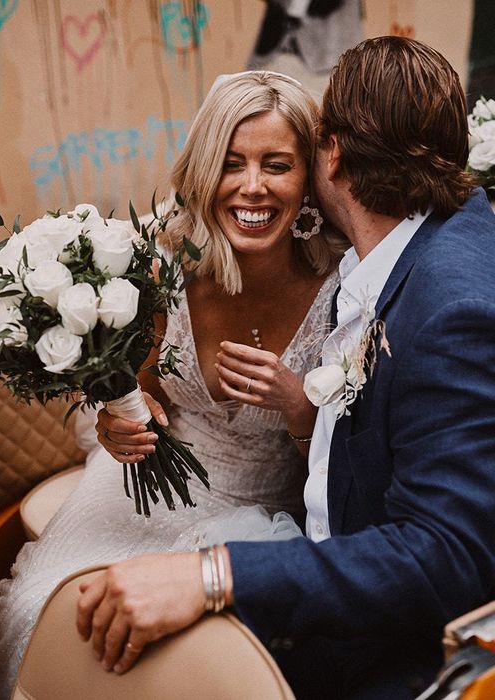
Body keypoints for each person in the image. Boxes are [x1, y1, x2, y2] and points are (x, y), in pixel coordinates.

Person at [78, 36, 495, 699]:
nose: (254, 185)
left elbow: (450, 555)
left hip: (396, 650)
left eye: (281, 161)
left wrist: (214, 576)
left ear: (326, 155)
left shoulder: (448, 304)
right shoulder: (411, 251)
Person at [0, 70, 346, 697]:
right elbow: (141, 388)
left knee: (176, 667)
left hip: (260, 508)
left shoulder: (342, 288)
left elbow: (343, 476)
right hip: (138, 486)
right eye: (232, 164)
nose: (253, 187)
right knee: (43, 609)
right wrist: (121, 417)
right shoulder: (163, 264)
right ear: (205, 172)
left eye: (276, 165)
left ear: (308, 177)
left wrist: (299, 410)